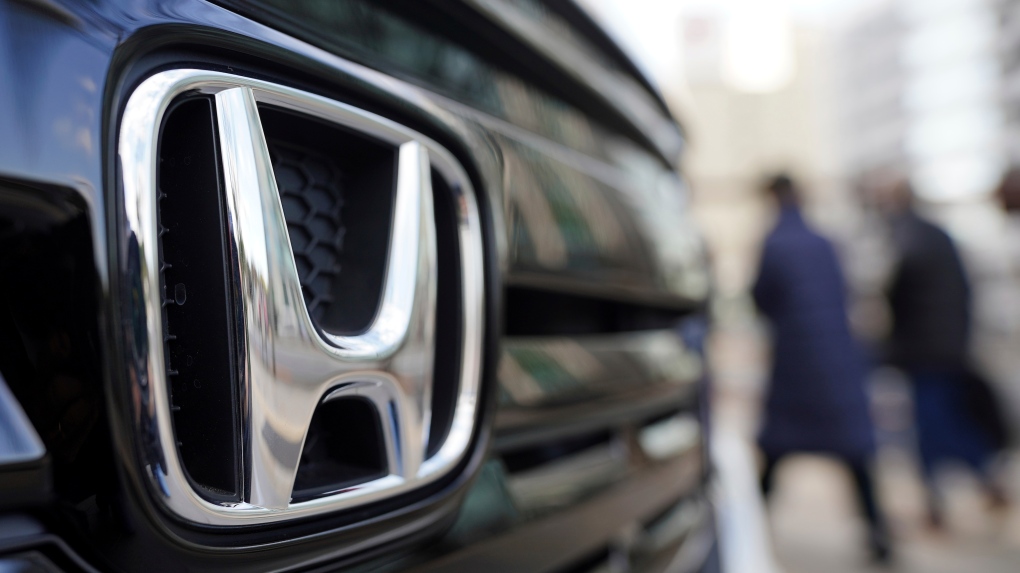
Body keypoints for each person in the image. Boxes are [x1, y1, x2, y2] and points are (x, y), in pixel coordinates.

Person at [752, 174, 891, 563]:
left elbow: (760, 297)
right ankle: (879, 536)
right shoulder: (826, 241)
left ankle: (748, 531)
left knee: (775, 451)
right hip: (838, 361)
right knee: (856, 452)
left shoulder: (774, 243)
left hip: (796, 365)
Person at [881, 177, 1006, 527]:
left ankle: (942, 500)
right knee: (943, 422)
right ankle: (968, 487)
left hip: (927, 352)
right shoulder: (936, 235)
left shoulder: (909, 238)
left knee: (933, 427)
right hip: (946, 347)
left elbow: (897, 292)